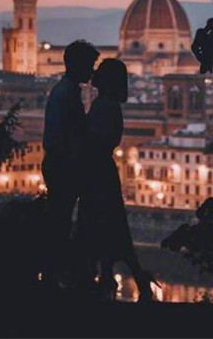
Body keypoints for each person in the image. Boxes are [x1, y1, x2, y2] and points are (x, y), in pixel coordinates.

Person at [78, 58, 160, 302]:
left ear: (107, 80)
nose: (94, 75)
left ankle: (107, 281)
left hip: (97, 173)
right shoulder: (110, 105)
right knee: (113, 227)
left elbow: (94, 139)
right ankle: (125, 279)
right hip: (104, 171)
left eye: (100, 73)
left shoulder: (104, 105)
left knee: (97, 223)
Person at [42, 39, 99, 288]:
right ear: (78, 65)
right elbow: (61, 136)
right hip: (61, 167)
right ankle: (54, 276)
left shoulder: (65, 91)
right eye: (89, 65)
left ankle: (55, 273)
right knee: (60, 221)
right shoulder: (66, 93)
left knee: (60, 219)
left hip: (59, 165)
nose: (92, 71)